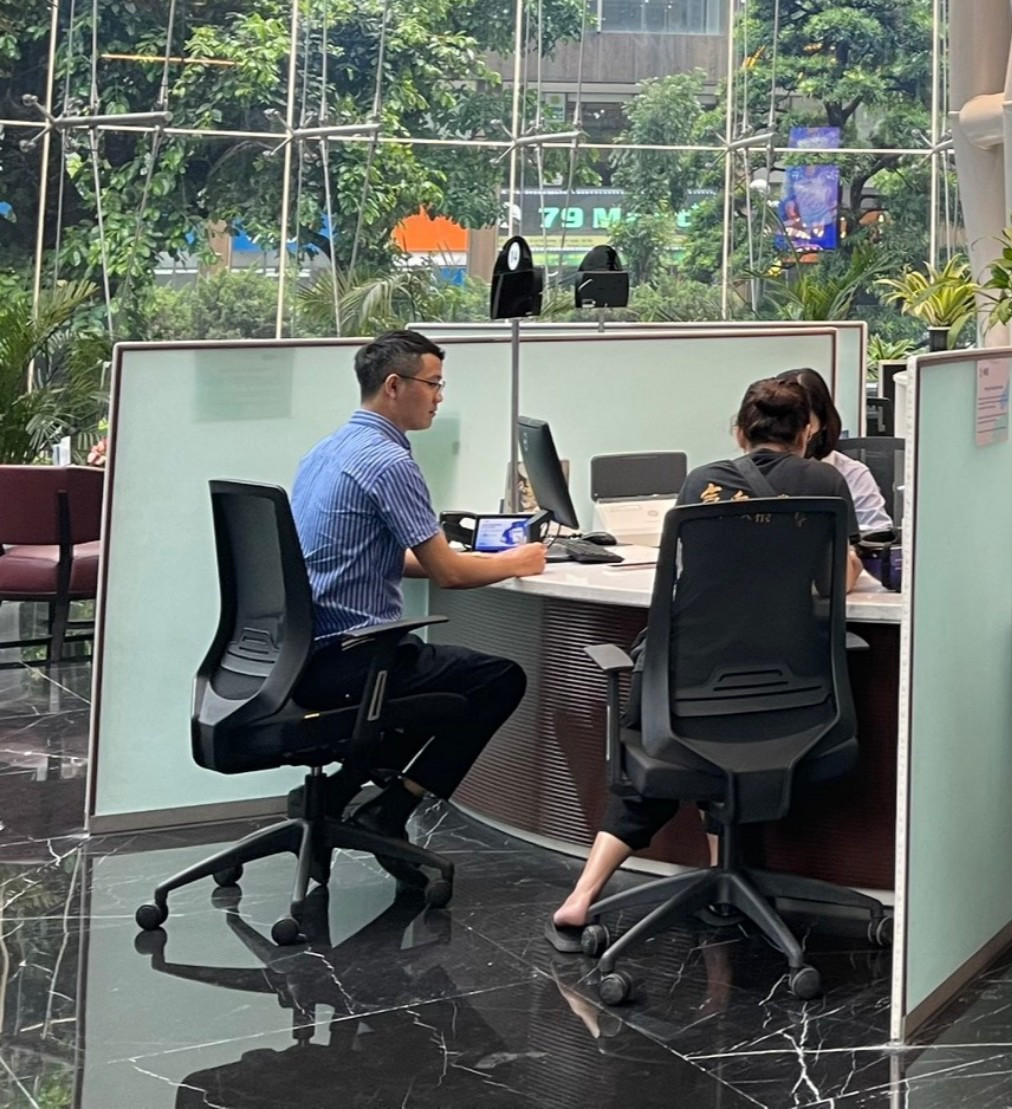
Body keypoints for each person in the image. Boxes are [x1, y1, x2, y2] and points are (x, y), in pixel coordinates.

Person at [547, 375, 867, 946]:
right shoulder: (826, 481)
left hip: (688, 689)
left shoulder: (702, 482)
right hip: (791, 698)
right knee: (729, 736)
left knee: (670, 740)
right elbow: (836, 581)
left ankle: (583, 894)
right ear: (807, 432)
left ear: (740, 431)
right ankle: (724, 876)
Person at [288, 328, 546, 846]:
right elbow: (450, 576)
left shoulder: (326, 450)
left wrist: (472, 559)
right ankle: (393, 807)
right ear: (393, 385)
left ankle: (342, 789)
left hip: (302, 655)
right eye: (433, 384)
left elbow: (366, 557)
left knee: (448, 683)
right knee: (499, 680)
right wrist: (518, 561)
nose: (439, 398)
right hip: (354, 657)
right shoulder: (389, 463)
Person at [778, 365, 894, 531]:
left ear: (823, 420)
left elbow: (877, 534)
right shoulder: (753, 471)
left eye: (801, 418)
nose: (789, 427)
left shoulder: (851, 474)